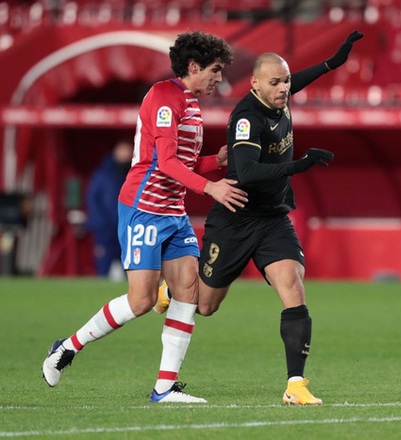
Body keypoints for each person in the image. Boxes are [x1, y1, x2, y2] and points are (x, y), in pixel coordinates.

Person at [156, 31, 364, 405]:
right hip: (235, 217)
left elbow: (293, 80)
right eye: (276, 82)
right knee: (205, 305)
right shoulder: (247, 118)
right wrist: (299, 165)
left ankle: (296, 385)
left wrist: (333, 63)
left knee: (293, 287)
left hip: (272, 218)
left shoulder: (278, 96)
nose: (285, 88)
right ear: (255, 85)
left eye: (286, 81)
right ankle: (169, 293)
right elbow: (248, 172)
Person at [41, 31, 248, 403]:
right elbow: (165, 164)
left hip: (174, 211)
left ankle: (165, 388)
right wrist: (211, 187)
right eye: (215, 70)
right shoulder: (164, 97)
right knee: (141, 301)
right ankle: (67, 347)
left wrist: (214, 164)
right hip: (144, 209)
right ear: (193, 66)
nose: (220, 77)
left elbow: (180, 163)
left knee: (188, 291)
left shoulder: (192, 104)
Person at [86, 140, 133, 277]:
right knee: (103, 267)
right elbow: (92, 200)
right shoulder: (102, 175)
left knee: (130, 268)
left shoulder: (134, 174)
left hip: (128, 229)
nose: (125, 156)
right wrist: (101, 223)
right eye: (122, 152)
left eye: (127, 153)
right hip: (105, 230)